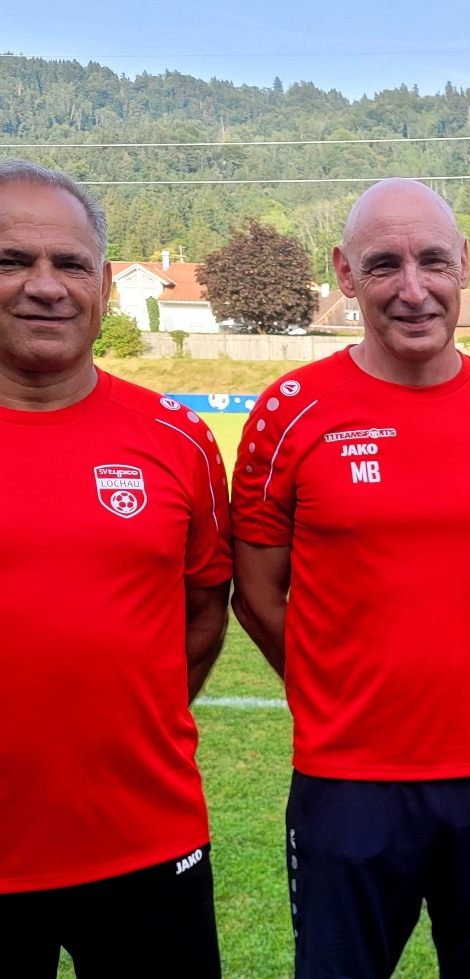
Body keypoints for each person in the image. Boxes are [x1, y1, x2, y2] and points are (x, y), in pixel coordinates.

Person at [230, 178, 470, 979]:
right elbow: (257, 592)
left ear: (463, 267)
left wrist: (457, 666)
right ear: (344, 273)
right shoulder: (289, 411)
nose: (413, 290)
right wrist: (335, 684)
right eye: (384, 265)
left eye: (433, 262)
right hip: (348, 786)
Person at [0, 160, 231, 978]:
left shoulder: (177, 441)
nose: (44, 286)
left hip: (146, 844)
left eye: (67, 264)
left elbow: (207, 607)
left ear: (102, 283)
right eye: (12, 261)